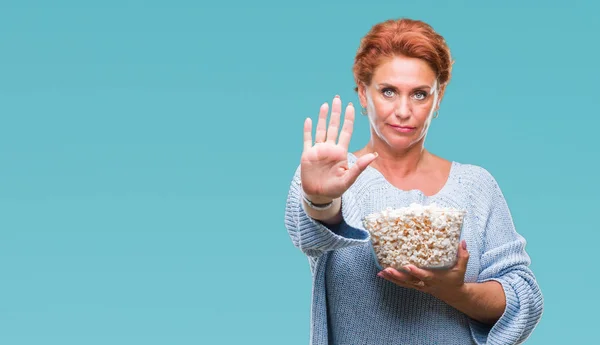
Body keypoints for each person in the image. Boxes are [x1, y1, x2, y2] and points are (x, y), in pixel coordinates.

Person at [283, 18, 543, 345]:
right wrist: (321, 201)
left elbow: (525, 297)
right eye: (388, 91)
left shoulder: (476, 187)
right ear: (363, 94)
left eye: (420, 94)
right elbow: (310, 232)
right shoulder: (331, 173)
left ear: (439, 97)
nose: (403, 111)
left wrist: (456, 292)